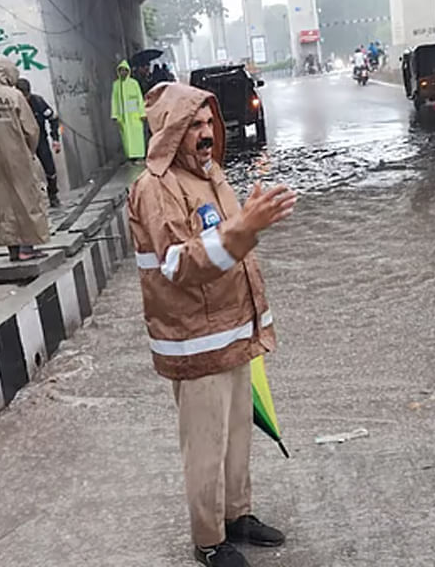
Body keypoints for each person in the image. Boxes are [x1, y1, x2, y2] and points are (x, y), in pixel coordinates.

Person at [128, 81, 297, 567]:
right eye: (193, 126)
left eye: (209, 124)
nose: (205, 135)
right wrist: (245, 227)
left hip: (233, 333)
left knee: (237, 434)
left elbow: (229, 241)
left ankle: (236, 515)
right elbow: (178, 263)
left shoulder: (211, 173)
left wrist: (250, 221)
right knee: (205, 447)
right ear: (169, 131)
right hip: (193, 343)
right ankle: (208, 541)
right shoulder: (156, 189)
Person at [0, 56, 51, 262]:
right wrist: (29, 152)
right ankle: (27, 247)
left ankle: (12, 250)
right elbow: (31, 129)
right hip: (16, 156)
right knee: (25, 198)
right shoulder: (14, 96)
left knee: (0, 203)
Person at [16, 77, 62, 208]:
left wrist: (55, 139)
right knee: (23, 172)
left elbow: (53, 119)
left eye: (26, 96)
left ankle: (53, 194)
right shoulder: (13, 105)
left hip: (40, 138)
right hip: (22, 141)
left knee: (50, 168)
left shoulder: (38, 102)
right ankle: (29, 200)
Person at [112, 60, 147, 160]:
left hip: (135, 116)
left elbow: (139, 99)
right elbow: (114, 100)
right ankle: (130, 156)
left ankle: (139, 155)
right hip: (123, 117)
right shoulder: (116, 85)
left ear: (128, 71)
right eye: (121, 70)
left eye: (125, 70)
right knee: (126, 138)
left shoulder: (134, 83)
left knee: (137, 137)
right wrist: (115, 115)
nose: (123, 72)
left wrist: (142, 113)